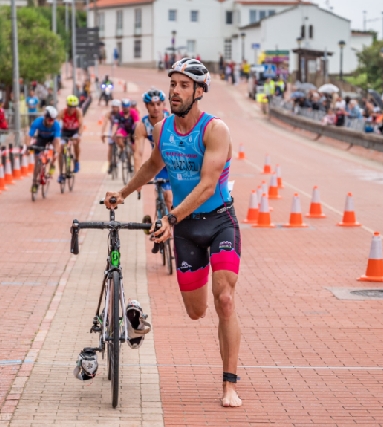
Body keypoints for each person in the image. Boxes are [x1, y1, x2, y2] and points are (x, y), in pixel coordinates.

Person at [104, 58, 242, 407]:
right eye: (173, 84)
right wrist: (123, 192)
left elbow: (209, 185)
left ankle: (229, 384)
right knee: (197, 311)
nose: (175, 91)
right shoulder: (163, 129)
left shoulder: (215, 130)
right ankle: (208, 313)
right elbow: (153, 165)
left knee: (224, 298)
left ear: (199, 91)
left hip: (220, 220)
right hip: (186, 230)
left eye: (183, 85)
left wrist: (172, 217)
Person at [134, 89, 172, 209]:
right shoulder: (142, 126)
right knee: (165, 196)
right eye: (152, 105)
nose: (155, 108)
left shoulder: (172, 121)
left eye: (158, 104)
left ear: (163, 105)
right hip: (159, 164)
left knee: (172, 200)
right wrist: (137, 179)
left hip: (175, 162)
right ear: (146, 106)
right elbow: (138, 154)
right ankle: (159, 215)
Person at [28, 106, 60, 193]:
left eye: (53, 120)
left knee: (56, 150)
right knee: (37, 163)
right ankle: (34, 183)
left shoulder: (56, 125)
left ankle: (52, 165)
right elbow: (29, 135)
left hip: (52, 139)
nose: (51, 122)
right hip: (41, 139)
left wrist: (56, 152)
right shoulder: (37, 122)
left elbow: (57, 140)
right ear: (45, 117)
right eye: (49, 120)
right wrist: (27, 146)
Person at [59, 95, 83, 177]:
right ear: (67, 106)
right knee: (61, 148)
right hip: (65, 131)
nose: (72, 109)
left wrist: (79, 134)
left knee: (76, 143)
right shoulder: (63, 112)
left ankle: (77, 161)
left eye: (74, 107)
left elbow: (81, 125)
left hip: (74, 131)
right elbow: (57, 123)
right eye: (70, 107)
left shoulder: (78, 112)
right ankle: (61, 173)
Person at [113, 99, 139, 173]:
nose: (125, 109)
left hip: (132, 130)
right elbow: (115, 125)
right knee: (118, 136)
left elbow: (137, 123)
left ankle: (135, 165)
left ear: (129, 107)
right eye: (124, 107)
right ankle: (123, 149)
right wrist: (113, 133)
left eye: (127, 107)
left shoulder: (133, 112)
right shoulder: (119, 114)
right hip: (123, 130)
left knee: (134, 150)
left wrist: (135, 133)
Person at [101, 99, 122, 173]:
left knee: (121, 141)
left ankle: (122, 152)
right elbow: (105, 123)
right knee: (110, 146)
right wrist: (103, 133)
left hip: (121, 129)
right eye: (113, 107)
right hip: (112, 129)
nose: (115, 109)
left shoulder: (121, 113)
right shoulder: (109, 114)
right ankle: (110, 164)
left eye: (116, 107)